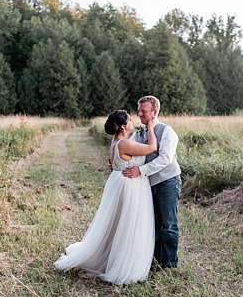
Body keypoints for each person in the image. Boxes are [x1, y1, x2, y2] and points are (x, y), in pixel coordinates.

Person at [55, 110, 157, 285]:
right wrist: (152, 128)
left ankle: (112, 255)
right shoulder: (124, 143)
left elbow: (113, 164)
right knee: (127, 224)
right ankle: (123, 263)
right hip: (129, 186)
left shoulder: (116, 141)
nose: (133, 122)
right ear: (124, 127)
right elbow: (152, 147)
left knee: (118, 223)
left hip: (120, 182)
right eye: (130, 120)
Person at [121, 96, 182, 269]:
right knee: (152, 224)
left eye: (144, 111)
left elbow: (165, 159)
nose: (139, 114)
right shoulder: (139, 133)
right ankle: (153, 261)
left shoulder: (167, 131)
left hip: (168, 182)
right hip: (148, 185)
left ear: (154, 112)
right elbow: (128, 149)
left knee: (168, 224)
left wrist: (140, 171)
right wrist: (116, 160)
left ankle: (169, 264)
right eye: (139, 110)